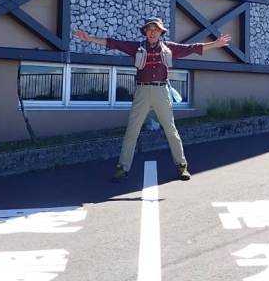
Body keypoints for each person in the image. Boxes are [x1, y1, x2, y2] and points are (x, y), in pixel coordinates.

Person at [74, 18, 231, 182]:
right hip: (142, 91)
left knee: (171, 130)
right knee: (132, 130)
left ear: (161, 32)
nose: (152, 32)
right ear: (145, 32)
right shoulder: (137, 47)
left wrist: (215, 44)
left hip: (161, 91)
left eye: (155, 29)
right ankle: (122, 168)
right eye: (149, 29)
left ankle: (182, 166)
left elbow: (193, 48)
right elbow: (114, 43)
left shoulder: (169, 48)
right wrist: (89, 38)